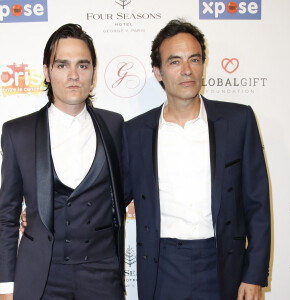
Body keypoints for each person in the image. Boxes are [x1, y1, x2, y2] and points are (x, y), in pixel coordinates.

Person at [123, 19, 271, 300]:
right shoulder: (134, 133)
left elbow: (258, 204)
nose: (187, 70)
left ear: (203, 64)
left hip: (222, 262)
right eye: (174, 61)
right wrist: (43, 214)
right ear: (158, 71)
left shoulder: (238, 121)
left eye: (194, 59)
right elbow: (111, 200)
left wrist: (253, 275)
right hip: (161, 265)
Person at [0, 24, 125, 300]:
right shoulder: (16, 132)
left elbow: (126, 188)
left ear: (93, 72)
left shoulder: (114, 125)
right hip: (42, 277)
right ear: (46, 71)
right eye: (62, 65)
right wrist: (6, 287)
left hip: (102, 275)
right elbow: (6, 217)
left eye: (83, 65)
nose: (73, 76)